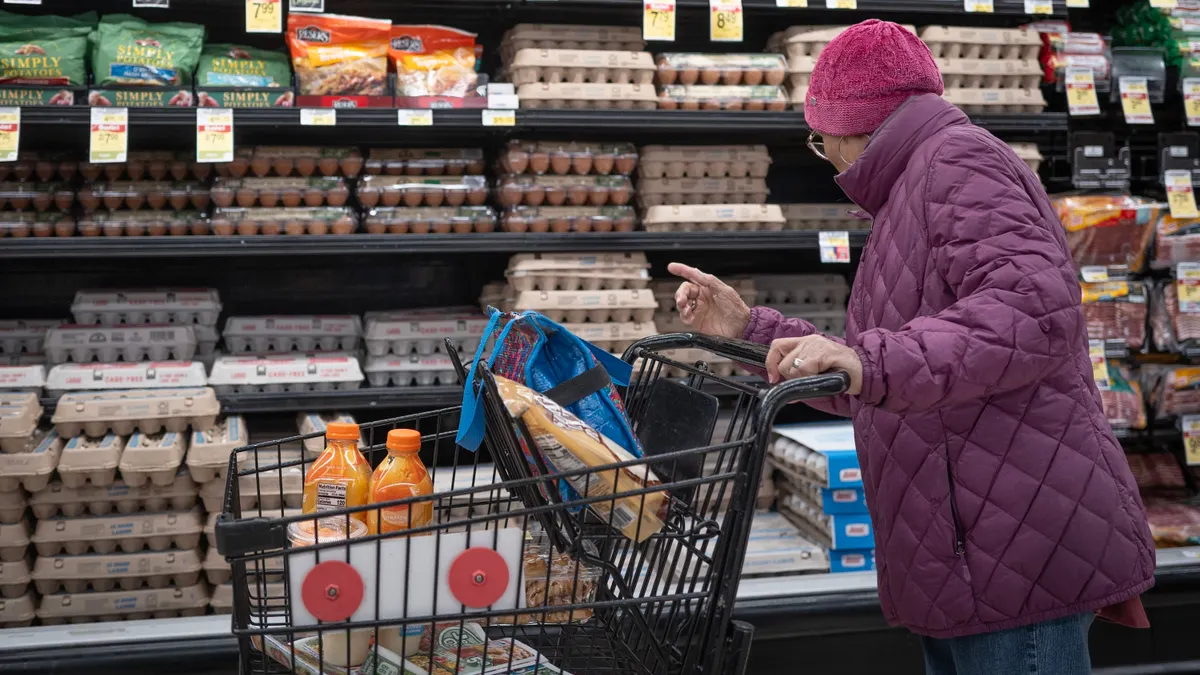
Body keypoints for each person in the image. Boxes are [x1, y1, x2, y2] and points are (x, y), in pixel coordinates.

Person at [670, 19, 1155, 675]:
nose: (829, 158)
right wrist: (750, 330)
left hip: (1010, 551)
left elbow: (1033, 311)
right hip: (966, 552)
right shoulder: (916, 188)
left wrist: (868, 362)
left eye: (821, 140)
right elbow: (886, 381)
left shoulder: (958, 163)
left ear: (852, 127)